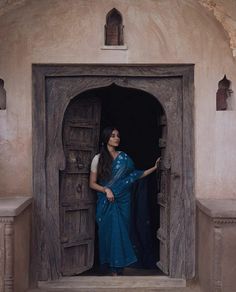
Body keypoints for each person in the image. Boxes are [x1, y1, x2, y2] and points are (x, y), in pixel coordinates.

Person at [89, 126, 160, 276]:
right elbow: (92, 183)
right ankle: (109, 267)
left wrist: (154, 168)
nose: (117, 138)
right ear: (106, 138)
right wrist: (106, 190)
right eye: (113, 136)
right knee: (107, 233)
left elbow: (134, 176)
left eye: (118, 136)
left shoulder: (124, 158)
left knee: (121, 233)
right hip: (105, 202)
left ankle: (118, 269)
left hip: (122, 201)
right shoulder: (98, 159)